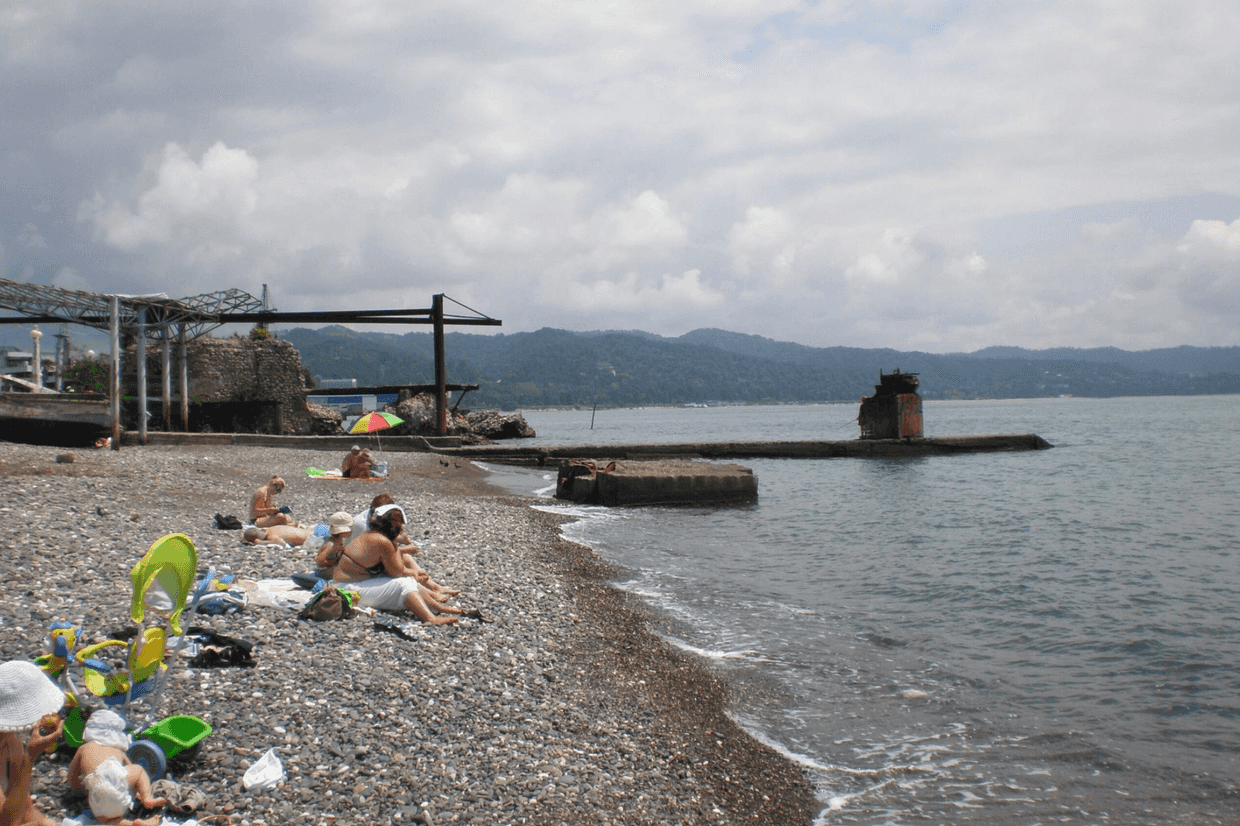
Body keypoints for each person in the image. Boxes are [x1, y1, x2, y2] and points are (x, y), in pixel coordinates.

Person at [332, 504, 461, 624]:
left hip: (349, 584)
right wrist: (415, 573)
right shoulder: (382, 541)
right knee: (404, 584)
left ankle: (437, 607)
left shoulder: (372, 536)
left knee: (408, 580)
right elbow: (396, 572)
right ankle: (431, 618)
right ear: (390, 525)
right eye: (399, 523)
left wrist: (413, 573)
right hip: (347, 591)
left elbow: (395, 565)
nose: (402, 527)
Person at [67, 709, 167, 826]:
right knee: (138, 770)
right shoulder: (117, 751)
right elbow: (130, 769)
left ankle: (132, 824)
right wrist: (137, 791)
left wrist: (81, 791)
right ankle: (147, 798)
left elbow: (72, 777)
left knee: (107, 820)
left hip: (97, 788)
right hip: (117, 778)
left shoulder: (84, 748)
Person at [0, 660, 66, 826]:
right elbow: (9, 822)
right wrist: (30, 756)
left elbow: (25, 806)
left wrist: (47, 822)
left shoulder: (10, 742)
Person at [313, 511, 355, 578]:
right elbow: (319, 561)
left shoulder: (340, 542)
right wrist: (335, 561)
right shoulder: (331, 544)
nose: (351, 531)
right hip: (324, 571)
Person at [242, 525, 310, 547]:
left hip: (310, 538)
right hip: (308, 532)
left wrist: (261, 543)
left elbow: (283, 544)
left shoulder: (271, 537)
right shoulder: (271, 528)